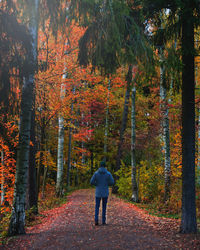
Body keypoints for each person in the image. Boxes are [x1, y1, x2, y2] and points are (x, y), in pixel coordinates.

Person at [90, 161, 114, 225]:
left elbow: (91, 182)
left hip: (98, 192)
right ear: (105, 166)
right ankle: (103, 221)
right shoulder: (108, 173)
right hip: (105, 192)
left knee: (97, 206)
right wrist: (106, 184)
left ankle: (96, 220)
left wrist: (96, 184)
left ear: (100, 166)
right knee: (104, 207)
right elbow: (112, 182)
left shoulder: (96, 173)